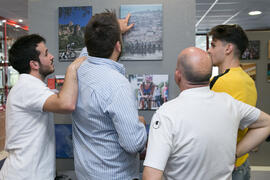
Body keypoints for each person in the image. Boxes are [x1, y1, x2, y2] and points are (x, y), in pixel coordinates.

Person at [142, 47, 270, 180]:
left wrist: (235, 153)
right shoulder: (230, 104)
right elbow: (266, 123)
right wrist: (236, 153)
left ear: (178, 75)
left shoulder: (166, 114)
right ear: (209, 76)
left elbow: (151, 176)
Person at [72, 11, 147, 180]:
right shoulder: (116, 84)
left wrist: (112, 31)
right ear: (118, 46)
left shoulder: (79, 70)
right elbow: (133, 144)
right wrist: (140, 123)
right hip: (115, 176)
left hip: (86, 174)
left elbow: (87, 50)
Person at [0, 34, 86, 180]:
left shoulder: (32, 87)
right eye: (46, 54)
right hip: (25, 175)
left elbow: (63, 96)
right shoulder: (27, 87)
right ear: (34, 64)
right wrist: (72, 68)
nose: (52, 56)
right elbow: (66, 103)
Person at [208, 24, 257, 180]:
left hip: (225, 167)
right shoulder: (247, 80)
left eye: (213, 45)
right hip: (242, 162)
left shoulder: (222, 82)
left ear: (228, 48)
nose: (209, 50)